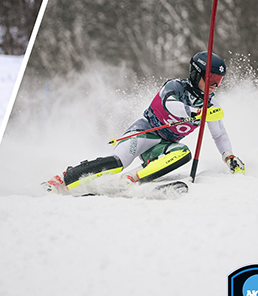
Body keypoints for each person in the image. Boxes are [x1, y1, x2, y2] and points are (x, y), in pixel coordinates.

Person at [45, 52, 246, 193]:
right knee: (117, 163)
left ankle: (131, 180)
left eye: (219, 81)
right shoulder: (175, 87)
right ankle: (62, 180)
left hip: (162, 146)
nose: (215, 86)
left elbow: (219, 133)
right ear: (196, 73)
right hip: (142, 134)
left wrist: (229, 157)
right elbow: (170, 105)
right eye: (211, 79)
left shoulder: (211, 104)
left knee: (184, 152)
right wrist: (196, 112)